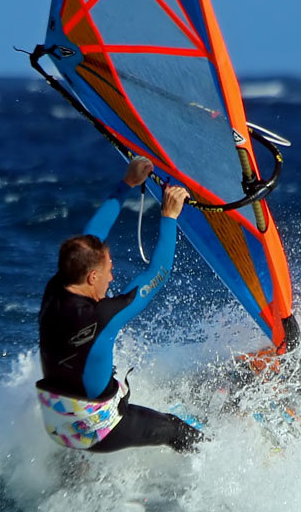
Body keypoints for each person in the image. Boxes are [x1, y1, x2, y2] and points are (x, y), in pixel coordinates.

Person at [36, 156, 204, 453]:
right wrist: (169, 216)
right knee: (174, 428)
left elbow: (89, 239)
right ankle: (216, 467)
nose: (112, 277)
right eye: (108, 270)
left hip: (57, 423)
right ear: (91, 276)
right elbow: (157, 274)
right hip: (100, 432)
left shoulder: (55, 288)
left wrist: (127, 184)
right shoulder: (103, 316)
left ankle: (72, 473)